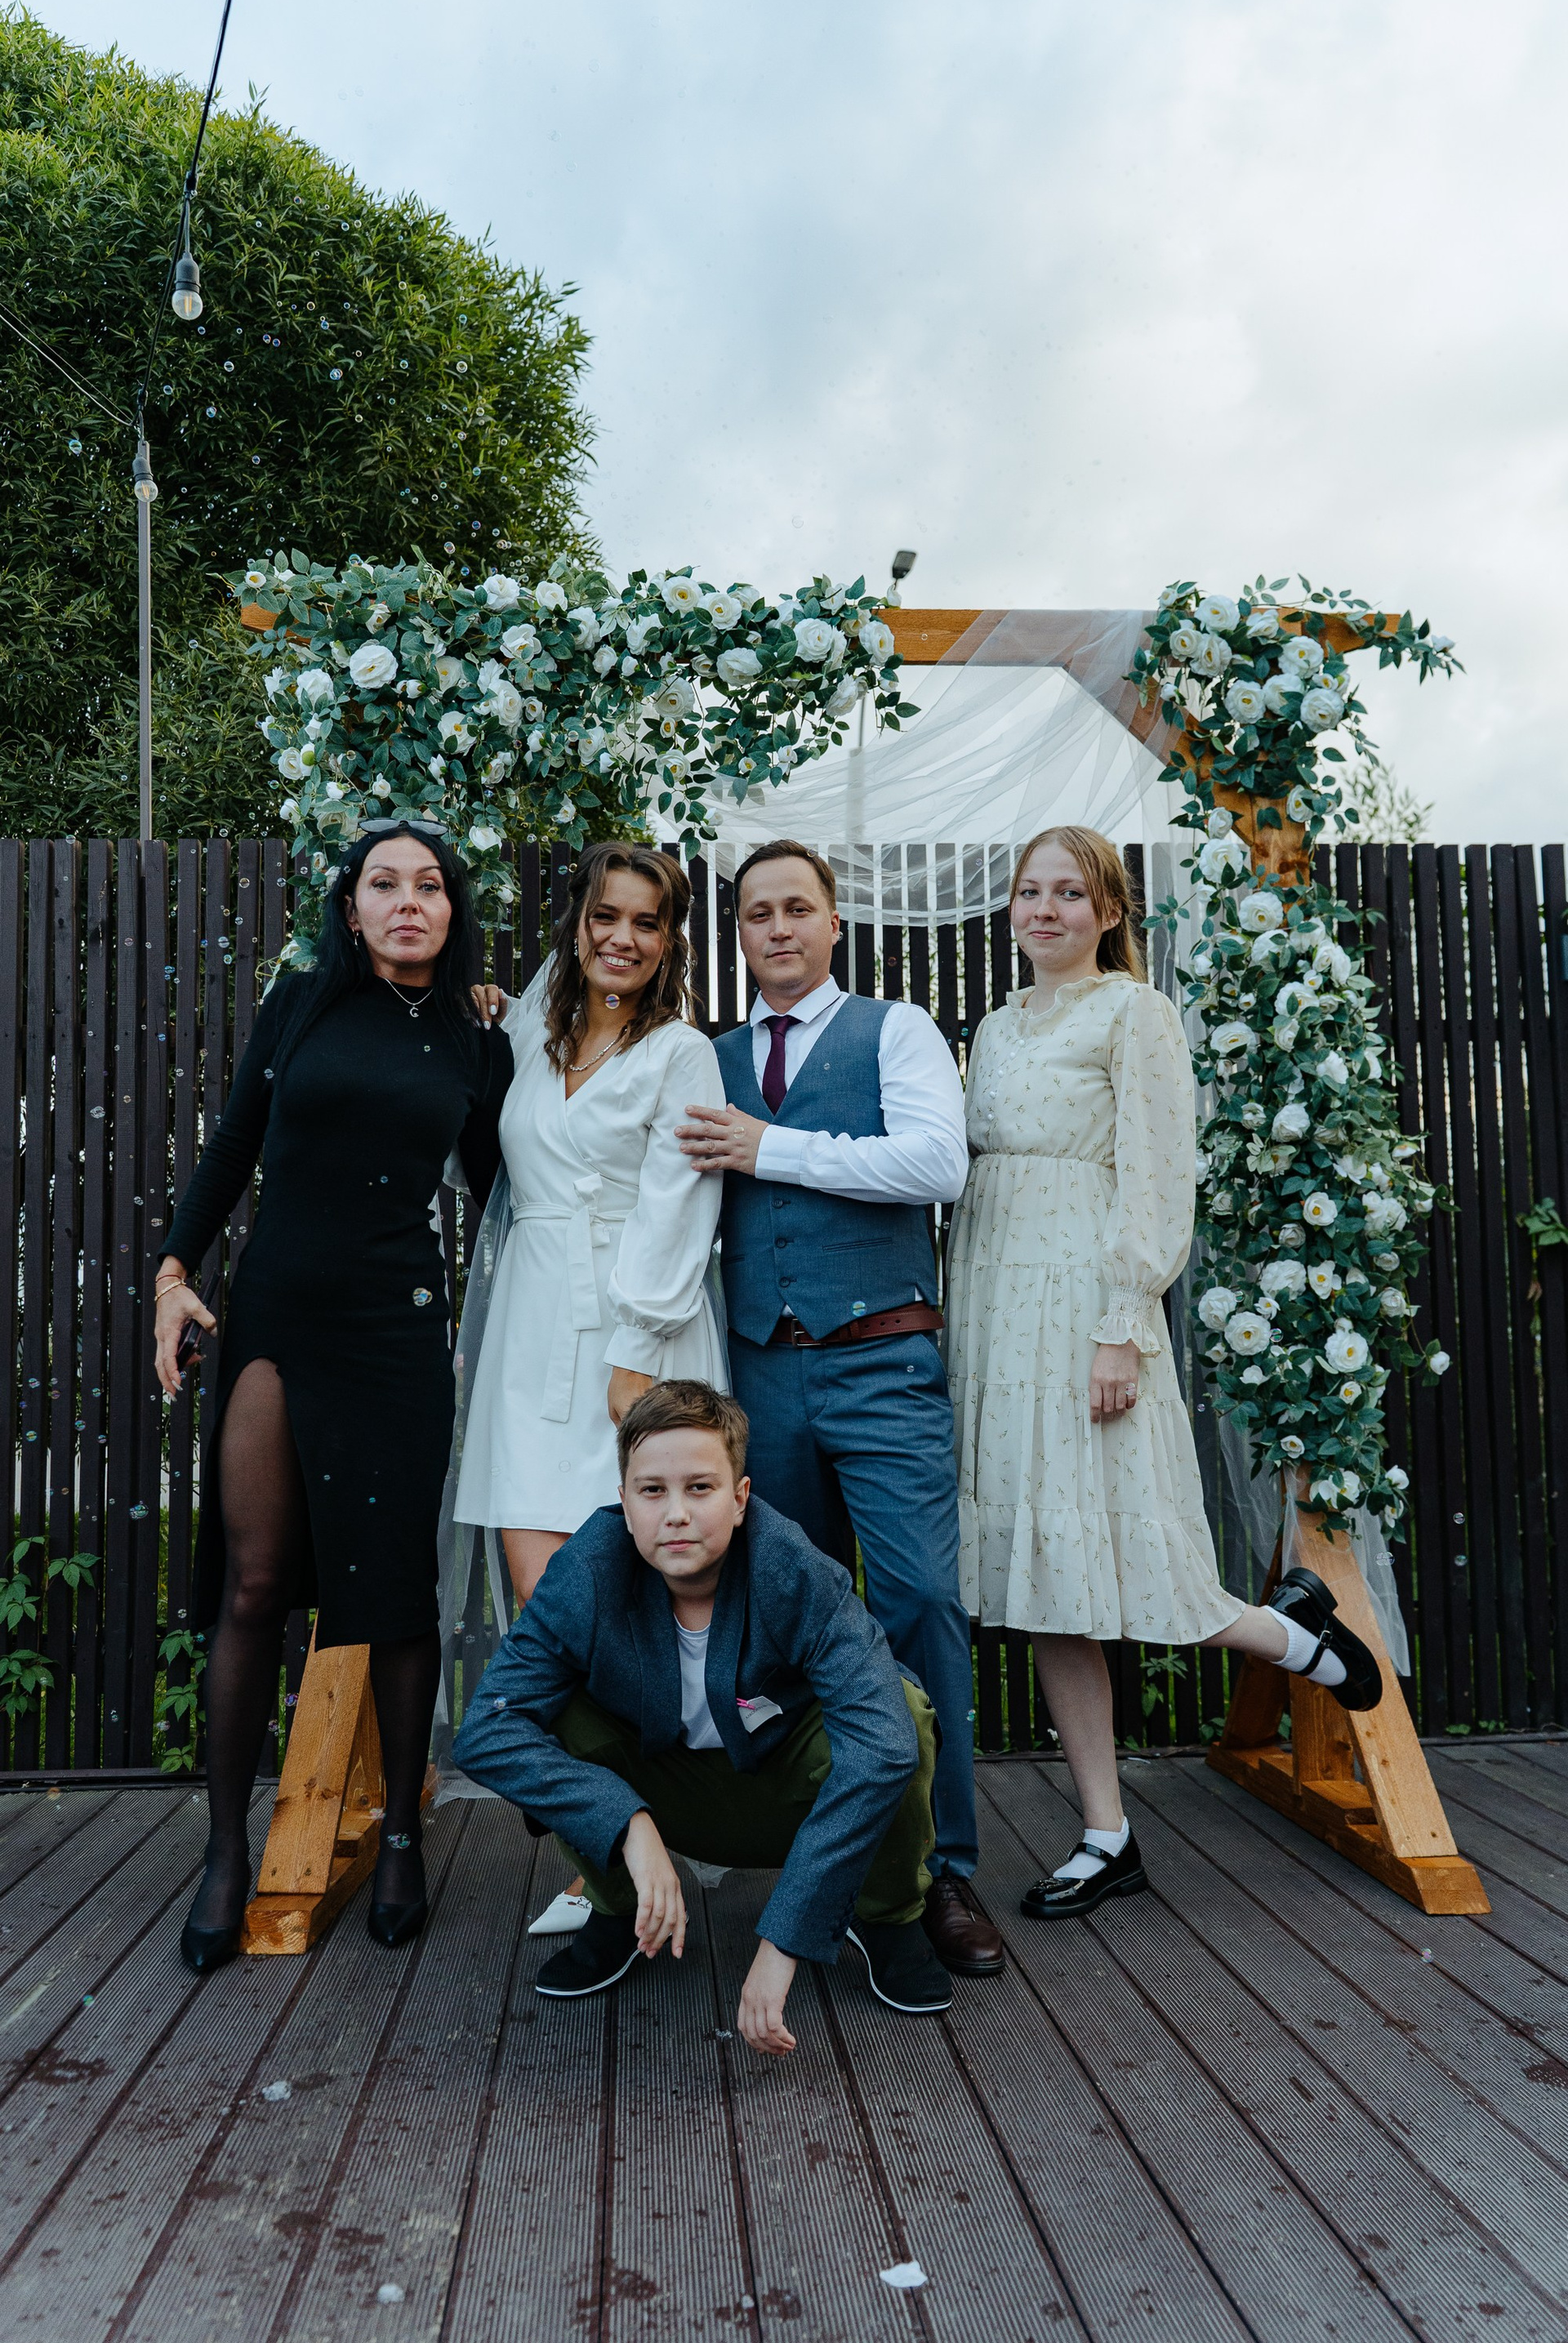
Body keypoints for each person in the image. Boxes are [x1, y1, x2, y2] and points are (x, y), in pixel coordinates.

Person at [943, 824, 1383, 1918]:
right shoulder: (993, 1026)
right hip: (995, 1310)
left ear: (1108, 911)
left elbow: (1154, 1177)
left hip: (1082, 1311)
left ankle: (1295, 1635)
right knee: (1046, 1584)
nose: (1044, 910)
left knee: (1142, 1562)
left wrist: (1121, 1324)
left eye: (1068, 893)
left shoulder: (1133, 1013)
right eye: (1029, 892)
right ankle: (1108, 1835)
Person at [154, 822, 512, 1972]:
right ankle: (226, 1850)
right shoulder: (300, 1003)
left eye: (429, 886)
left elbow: (513, 1191)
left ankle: (400, 1833)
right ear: (350, 906)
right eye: (383, 884)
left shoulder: (477, 1038)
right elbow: (233, 1146)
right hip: (277, 1315)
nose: (408, 902)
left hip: (397, 1331)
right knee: (256, 1583)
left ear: (452, 910)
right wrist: (172, 1276)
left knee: (394, 1592)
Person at [675, 839, 1004, 1979]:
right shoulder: (708, 1056)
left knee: (919, 1602)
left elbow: (936, 1165)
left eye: (796, 909)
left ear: (832, 924)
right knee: (788, 1620)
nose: (777, 928)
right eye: (756, 913)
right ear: (739, 935)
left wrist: (772, 1147)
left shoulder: (894, 1032)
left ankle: (941, 1866)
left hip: (882, 1361)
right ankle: (828, 1855)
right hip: (761, 1375)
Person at [452, 1379, 952, 2047]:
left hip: (792, 1797)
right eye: (652, 1491)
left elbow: (884, 1746)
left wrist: (785, 1941)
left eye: (700, 1488)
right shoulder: (588, 1571)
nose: (676, 1514)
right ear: (625, 1501)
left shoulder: (795, 1569)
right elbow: (486, 1729)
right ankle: (620, 1906)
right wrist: (628, 1826)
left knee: (904, 1716)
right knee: (554, 1712)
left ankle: (887, 1916)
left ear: (740, 1499)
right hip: (660, 1793)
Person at [454, 842, 726, 1937]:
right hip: (530, 1326)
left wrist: (638, 1350)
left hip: (634, 1327)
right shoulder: (530, 1032)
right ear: (576, 926)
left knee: (646, 1598)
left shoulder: (681, 1054)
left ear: (670, 941)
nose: (622, 937)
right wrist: (480, 1011)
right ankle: (606, 1833)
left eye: (646, 921)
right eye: (605, 915)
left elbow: (681, 1203)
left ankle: (656, 1841)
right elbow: (483, 1142)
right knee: (543, 1601)